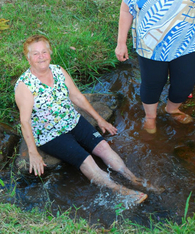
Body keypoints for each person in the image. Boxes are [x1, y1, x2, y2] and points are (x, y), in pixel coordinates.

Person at [14, 35, 159, 205]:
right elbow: (24, 121)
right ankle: (121, 191)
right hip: (50, 134)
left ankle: (134, 178)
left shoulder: (58, 70)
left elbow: (77, 97)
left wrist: (100, 120)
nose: (41, 57)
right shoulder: (25, 85)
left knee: (104, 147)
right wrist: (33, 153)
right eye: (36, 54)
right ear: (28, 57)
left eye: (44, 52)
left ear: (50, 53)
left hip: (72, 120)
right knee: (86, 159)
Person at [115, 0, 195, 134]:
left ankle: (172, 109)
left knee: (186, 81)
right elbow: (126, 9)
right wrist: (121, 42)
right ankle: (150, 117)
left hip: (188, 40)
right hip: (150, 43)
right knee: (152, 82)